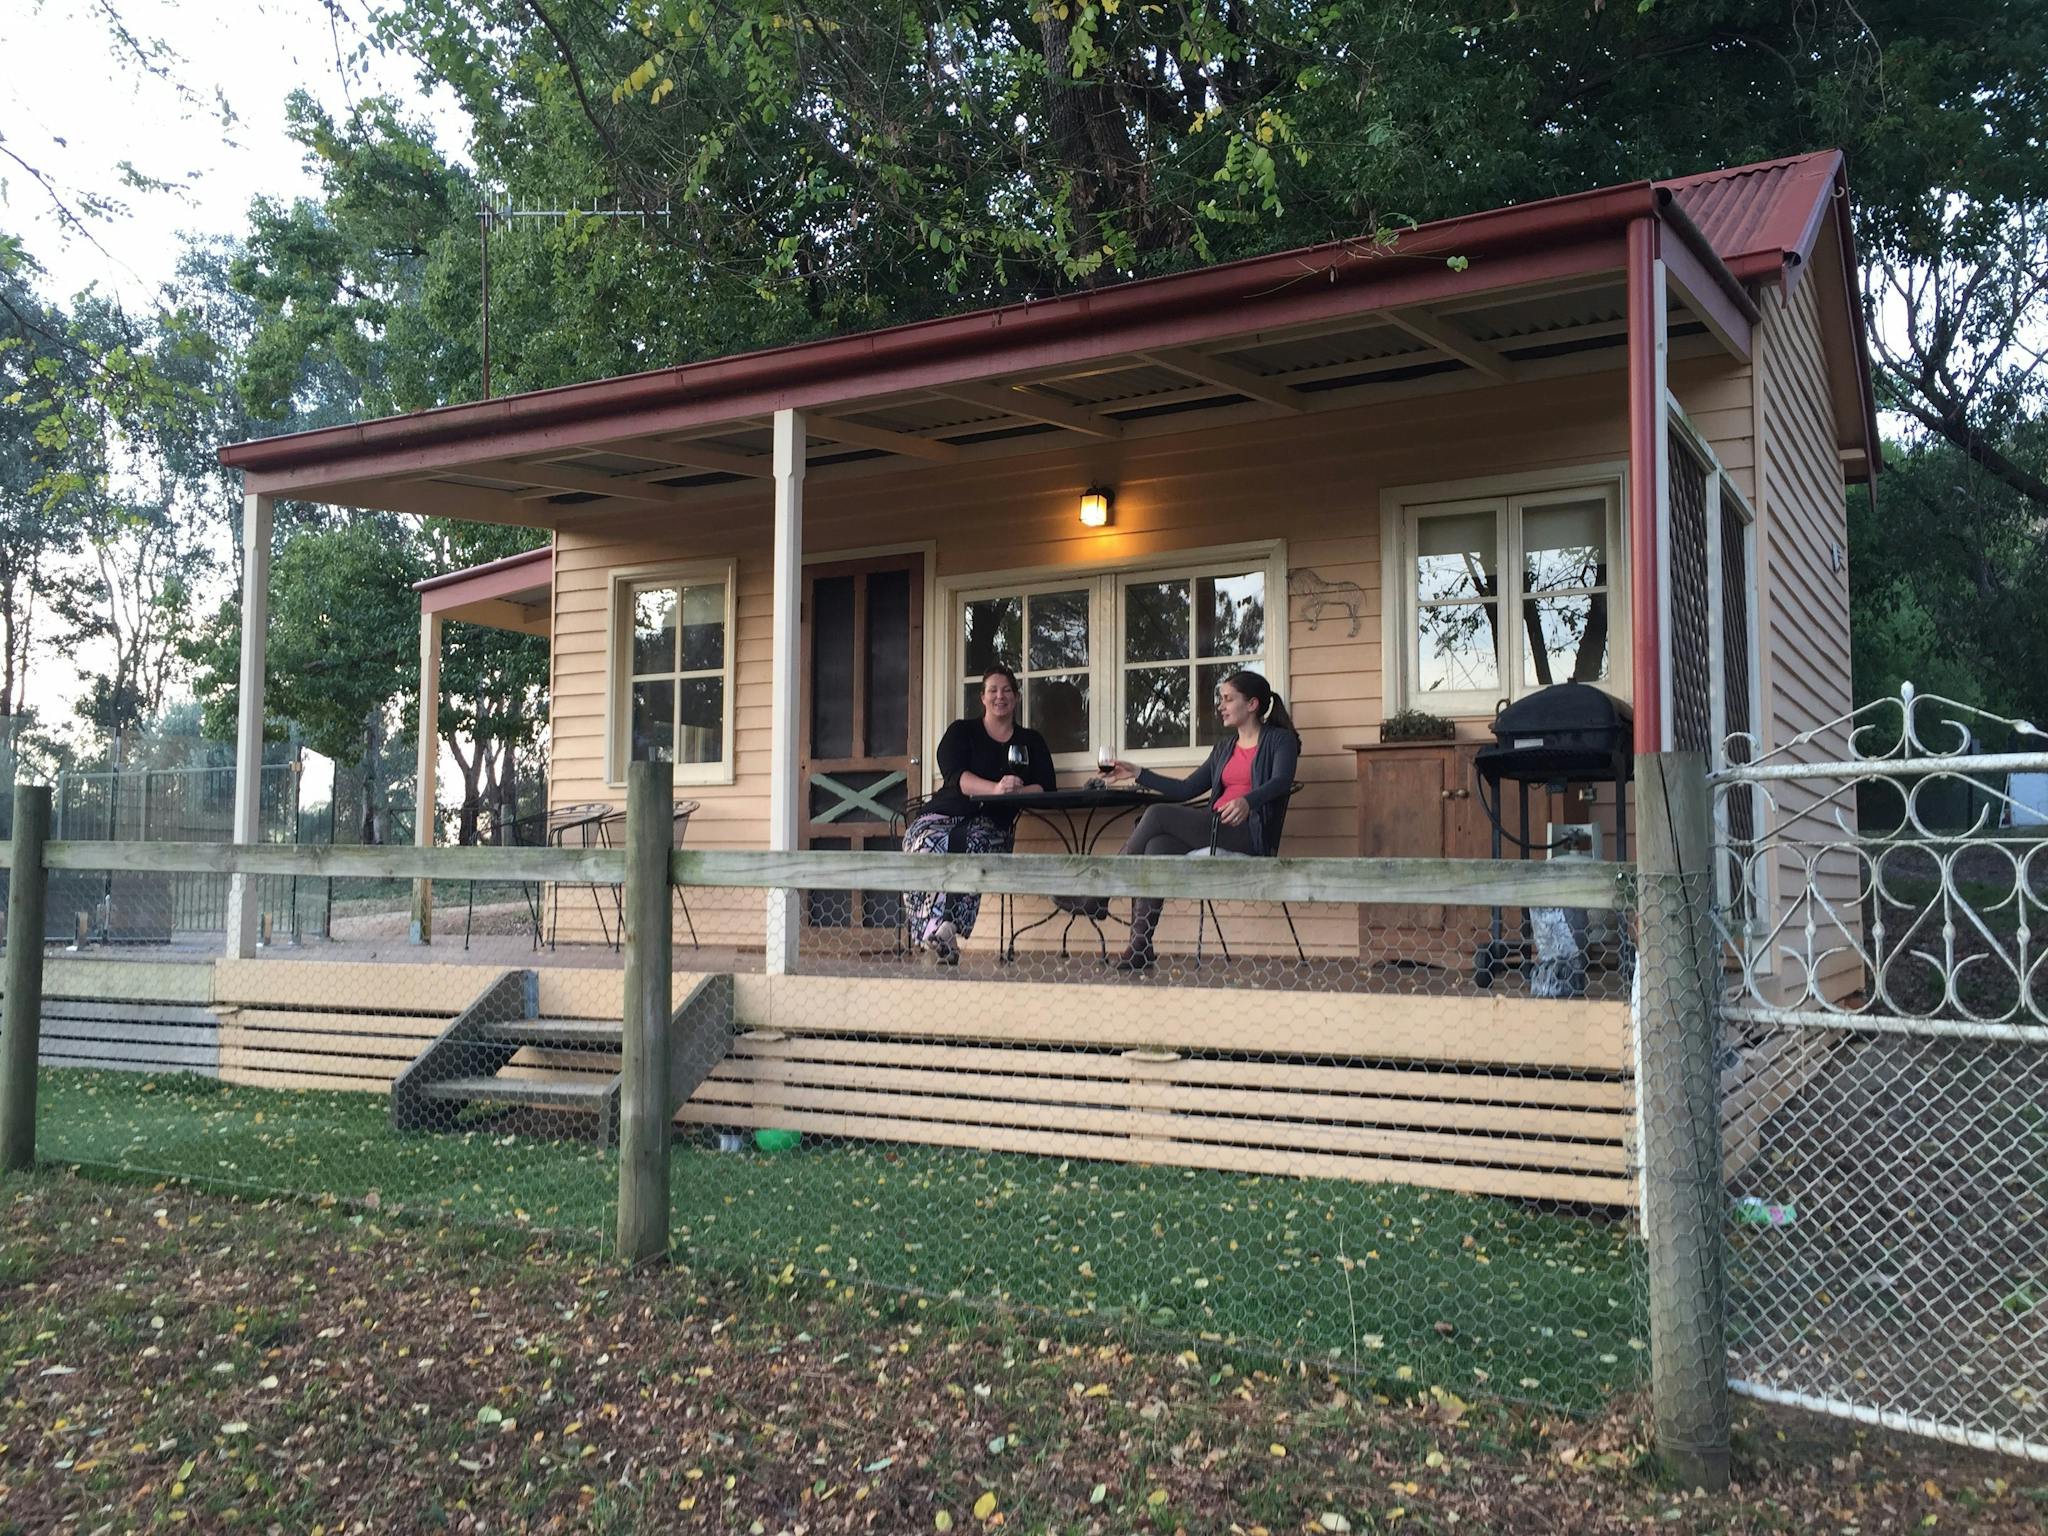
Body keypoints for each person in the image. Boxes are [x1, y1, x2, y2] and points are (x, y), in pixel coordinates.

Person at [1102, 669, 1300, 971]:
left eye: (1228, 699)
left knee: (1155, 815)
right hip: (1214, 827)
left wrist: (1249, 801)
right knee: (1156, 846)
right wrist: (1139, 773)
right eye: (1221, 699)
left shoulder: (1280, 740)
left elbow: (1282, 781)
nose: (1220, 706)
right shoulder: (1224, 748)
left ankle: (1100, 891)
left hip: (1249, 834)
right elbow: (1186, 788)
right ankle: (1140, 945)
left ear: (1252, 704)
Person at [902, 665, 1056, 963]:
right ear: (982, 698)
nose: (1000, 696)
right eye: (993, 690)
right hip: (946, 813)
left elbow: (1046, 786)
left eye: (1007, 690)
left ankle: (944, 928)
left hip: (993, 824)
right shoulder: (962, 732)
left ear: (1017, 697)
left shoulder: (1030, 741)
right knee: (923, 841)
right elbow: (956, 776)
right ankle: (938, 927)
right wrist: (996, 788)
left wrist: (1016, 792)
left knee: (972, 846)